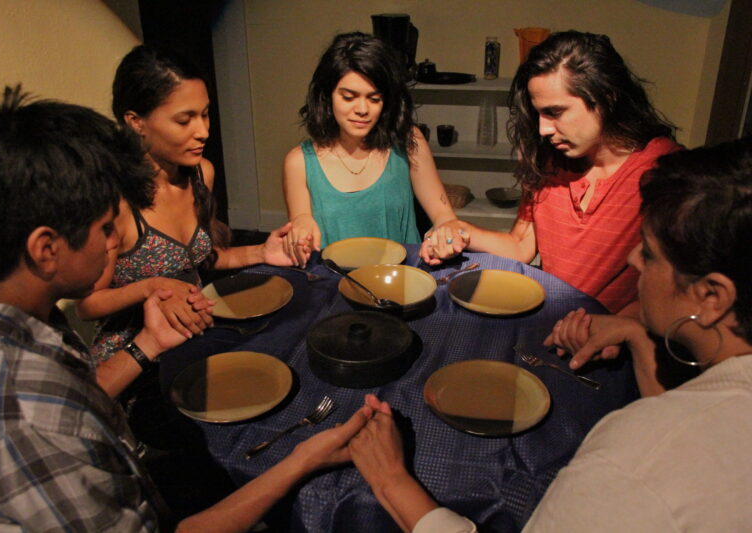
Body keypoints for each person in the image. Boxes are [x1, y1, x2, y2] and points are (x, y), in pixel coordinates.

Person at [0, 86, 376, 532]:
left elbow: (82, 396)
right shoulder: (32, 428)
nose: (115, 242)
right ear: (45, 248)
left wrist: (148, 343)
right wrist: (298, 463)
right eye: (103, 229)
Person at [348, 137, 752, 532]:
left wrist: (391, 482)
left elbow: (672, 441)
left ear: (711, 296)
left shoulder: (629, 459)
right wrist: (632, 329)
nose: (633, 259)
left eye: (647, 252)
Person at [423, 30, 679, 316]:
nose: (543, 129)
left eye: (555, 112)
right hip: (550, 323)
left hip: (613, 339)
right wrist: (461, 230)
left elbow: (681, 288)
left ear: (606, 97)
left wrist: (621, 325)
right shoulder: (551, 162)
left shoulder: (665, 171)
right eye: (539, 115)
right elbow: (521, 246)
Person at [76, 45, 304, 363]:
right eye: (185, 120)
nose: (204, 131)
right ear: (136, 122)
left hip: (193, 337)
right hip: (134, 356)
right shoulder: (116, 200)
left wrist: (261, 252)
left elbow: (198, 261)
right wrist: (150, 288)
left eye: (205, 114)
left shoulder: (200, 175)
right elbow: (88, 304)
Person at [282, 31, 467, 266]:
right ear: (327, 97)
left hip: (400, 282)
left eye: (374, 98)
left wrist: (447, 231)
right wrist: (300, 228)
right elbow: (300, 222)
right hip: (334, 286)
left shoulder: (408, 142)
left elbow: (444, 217)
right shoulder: (299, 162)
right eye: (348, 97)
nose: (362, 109)